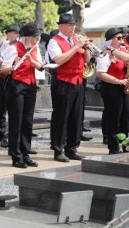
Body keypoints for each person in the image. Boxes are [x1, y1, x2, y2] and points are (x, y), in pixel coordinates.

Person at [47, 13, 91, 162]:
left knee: (76, 117)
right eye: (70, 25)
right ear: (61, 26)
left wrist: (86, 48)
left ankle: (72, 148)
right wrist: (77, 47)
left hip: (78, 81)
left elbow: (86, 60)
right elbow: (58, 59)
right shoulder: (54, 41)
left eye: (73, 25)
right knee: (61, 117)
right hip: (63, 82)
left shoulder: (75, 39)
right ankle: (58, 150)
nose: (73, 28)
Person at [1, 23, 44, 168]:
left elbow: (40, 65)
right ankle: (16, 156)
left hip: (31, 85)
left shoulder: (34, 48)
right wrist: (14, 66)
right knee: (16, 122)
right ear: (27, 37)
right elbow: (3, 69)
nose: (38, 38)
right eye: (35, 36)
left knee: (27, 121)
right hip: (17, 86)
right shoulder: (13, 48)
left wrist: (32, 61)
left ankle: (25, 154)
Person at [98, 28, 129, 155]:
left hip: (124, 87)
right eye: (118, 38)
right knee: (114, 118)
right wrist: (118, 81)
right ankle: (113, 148)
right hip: (111, 88)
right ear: (110, 41)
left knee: (127, 117)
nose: (121, 40)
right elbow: (101, 74)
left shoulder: (123, 51)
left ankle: (127, 146)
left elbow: (128, 65)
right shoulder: (105, 53)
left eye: (122, 38)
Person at [0, 24, 21, 147]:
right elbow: (0, 62)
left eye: (16, 33)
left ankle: (15, 135)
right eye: (13, 33)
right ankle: (2, 135)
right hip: (5, 79)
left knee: (15, 109)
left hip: (16, 79)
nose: (9, 35)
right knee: (2, 108)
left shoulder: (20, 45)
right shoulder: (4, 46)